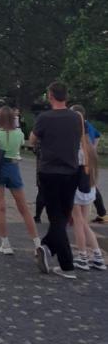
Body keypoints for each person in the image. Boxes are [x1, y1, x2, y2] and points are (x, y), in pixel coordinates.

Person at [30, 81, 82, 279]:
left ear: (50, 96)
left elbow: (32, 140)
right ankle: (47, 247)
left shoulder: (45, 118)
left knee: (56, 218)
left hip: (49, 171)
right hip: (71, 172)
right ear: (66, 96)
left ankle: (67, 265)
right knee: (63, 215)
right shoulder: (76, 118)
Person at [0, 106, 41, 255]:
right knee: (23, 207)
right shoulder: (19, 133)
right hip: (13, 168)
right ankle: (37, 243)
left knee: (0, 206)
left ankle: (5, 243)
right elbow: (19, 147)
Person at [70, 105, 106, 271]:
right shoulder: (90, 146)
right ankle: (97, 255)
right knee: (84, 223)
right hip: (89, 188)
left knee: (79, 223)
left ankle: (83, 256)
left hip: (76, 188)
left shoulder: (76, 147)